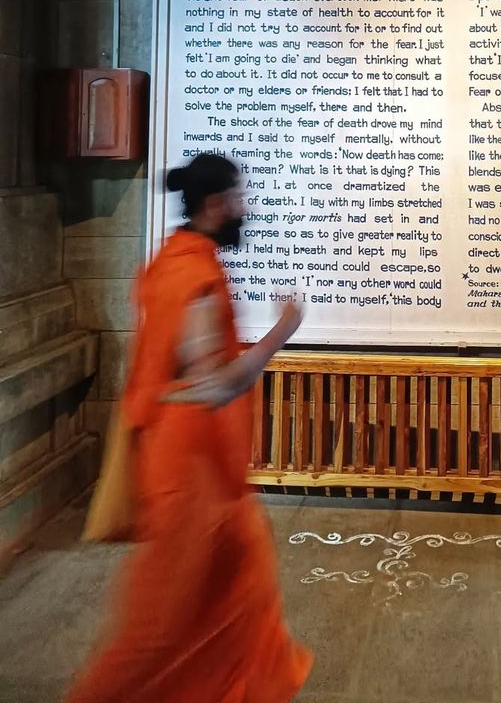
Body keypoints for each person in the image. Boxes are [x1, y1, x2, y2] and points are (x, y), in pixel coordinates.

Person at [66, 153, 311, 703]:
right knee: (165, 621)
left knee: (233, 587)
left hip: (184, 452)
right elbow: (216, 385)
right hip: (190, 463)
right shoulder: (196, 275)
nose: (243, 209)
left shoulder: (171, 261)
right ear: (215, 204)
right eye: (238, 198)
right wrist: (282, 331)